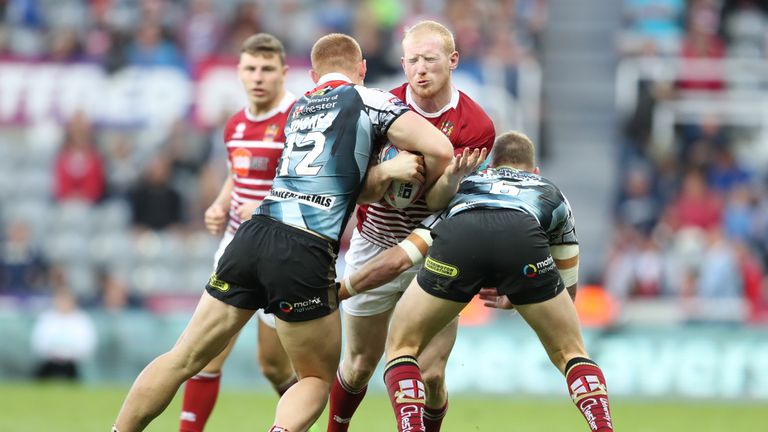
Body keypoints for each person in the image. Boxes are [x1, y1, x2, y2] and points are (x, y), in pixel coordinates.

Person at [111, 32, 453, 432]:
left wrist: (378, 175)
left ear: (312, 76)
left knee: (183, 357)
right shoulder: (371, 99)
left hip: (253, 235)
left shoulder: (299, 108)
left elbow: (337, 181)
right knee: (314, 378)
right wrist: (397, 171)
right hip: (304, 248)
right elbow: (442, 150)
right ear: (361, 69)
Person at [376, 131, 614, 432]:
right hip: (523, 238)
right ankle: (604, 427)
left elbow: (431, 221)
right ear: (534, 171)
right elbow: (567, 285)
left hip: (461, 236)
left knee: (401, 347)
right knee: (571, 352)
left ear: (490, 166)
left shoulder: (469, 184)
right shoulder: (551, 191)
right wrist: (524, 290)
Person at [328, 20, 495, 432]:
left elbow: (442, 204)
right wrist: (388, 173)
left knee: (432, 374)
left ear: (453, 60)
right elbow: (356, 192)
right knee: (359, 364)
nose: (420, 69)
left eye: (430, 59)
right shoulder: (380, 108)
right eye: (412, 60)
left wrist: (451, 179)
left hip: (435, 252)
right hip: (375, 242)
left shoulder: (477, 126)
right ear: (402, 63)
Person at [178, 33, 298, 432]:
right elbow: (238, 172)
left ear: (283, 71)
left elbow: (311, 184)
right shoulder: (235, 124)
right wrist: (219, 202)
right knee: (204, 354)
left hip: (284, 249)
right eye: (251, 68)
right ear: (239, 73)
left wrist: (265, 205)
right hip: (235, 246)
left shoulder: (299, 120)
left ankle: (302, 420)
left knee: (273, 365)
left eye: (267, 69)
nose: (258, 77)